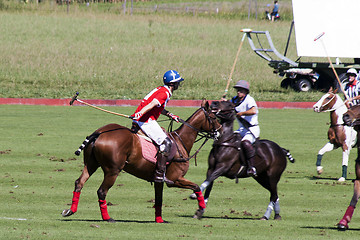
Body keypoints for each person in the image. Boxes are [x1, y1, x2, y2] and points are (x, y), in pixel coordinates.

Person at [132, 70, 184, 183]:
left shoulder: (162, 89)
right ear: (172, 84)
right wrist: (140, 113)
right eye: (177, 82)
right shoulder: (164, 93)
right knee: (167, 143)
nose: (178, 85)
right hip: (145, 120)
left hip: (145, 118)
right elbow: (152, 104)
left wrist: (169, 114)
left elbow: (158, 107)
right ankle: (160, 174)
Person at [229, 80, 260, 177]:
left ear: (246, 91)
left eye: (241, 90)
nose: (239, 92)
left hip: (251, 129)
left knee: (245, 143)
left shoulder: (249, 99)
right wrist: (222, 102)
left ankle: (252, 167)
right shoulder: (234, 100)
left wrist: (242, 113)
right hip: (241, 129)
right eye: (238, 90)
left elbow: (253, 110)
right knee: (228, 139)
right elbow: (228, 106)